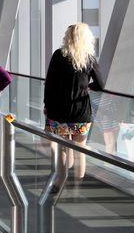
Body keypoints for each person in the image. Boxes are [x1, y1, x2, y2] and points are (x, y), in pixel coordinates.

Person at [44, 23, 105, 180]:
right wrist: (87, 87)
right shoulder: (89, 59)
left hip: (59, 110)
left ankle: (60, 180)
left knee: (62, 147)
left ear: (68, 37)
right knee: (80, 148)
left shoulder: (59, 55)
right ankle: (78, 183)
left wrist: (47, 105)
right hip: (81, 111)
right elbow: (101, 84)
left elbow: (50, 83)